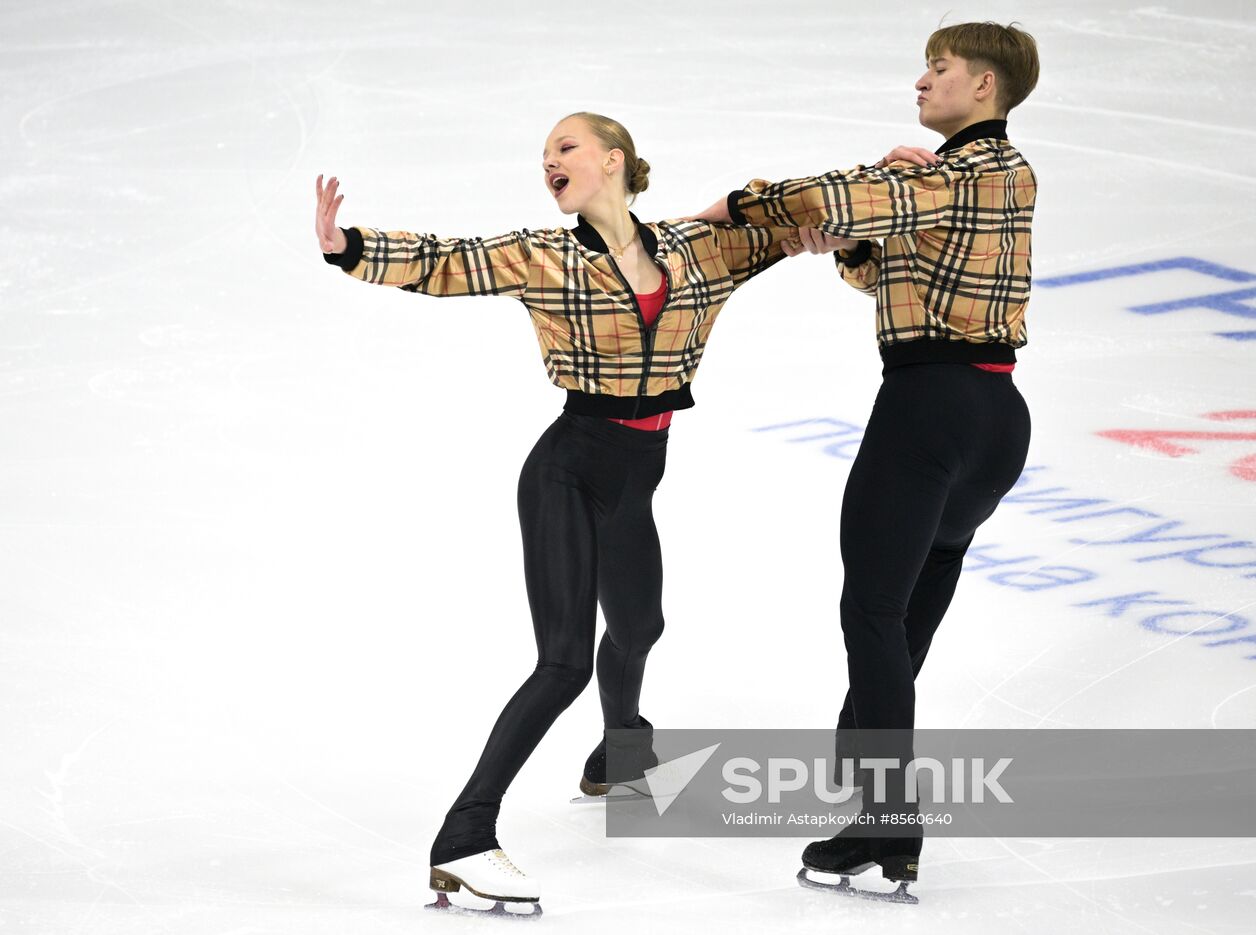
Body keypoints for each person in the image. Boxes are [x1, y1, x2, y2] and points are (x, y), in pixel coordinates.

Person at [315, 112, 798, 912]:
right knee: (565, 660)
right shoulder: (545, 257)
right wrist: (352, 247)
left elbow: (776, 224)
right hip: (567, 471)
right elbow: (449, 261)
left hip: (638, 476)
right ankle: (464, 837)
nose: (549, 163)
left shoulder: (690, 249)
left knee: (641, 626)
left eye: (564, 148)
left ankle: (618, 756)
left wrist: (833, 219)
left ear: (615, 160)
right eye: (543, 156)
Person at [697, 21, 1040, 901]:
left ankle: (887, 810)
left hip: (929, 410)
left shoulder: (968, 170)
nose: (921, 82)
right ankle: (872, 794)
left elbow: (828, 195)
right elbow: (882, 263)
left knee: (872, 609)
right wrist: (849, 241)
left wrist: (744, 203)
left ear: (985, 89)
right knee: (901, 614)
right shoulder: (977, 182)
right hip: (994, 420)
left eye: (940, 70)